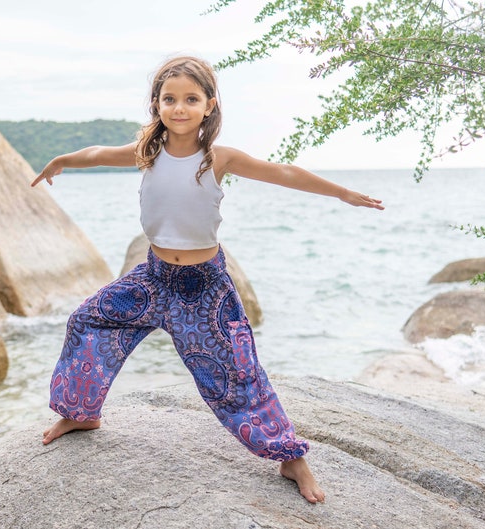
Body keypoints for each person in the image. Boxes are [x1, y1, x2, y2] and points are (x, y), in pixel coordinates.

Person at [30, 55, 384, 504]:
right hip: (153, 278)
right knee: (87, 320)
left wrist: (341, 192)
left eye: (190, 99)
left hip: (204, 289)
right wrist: (61, 160)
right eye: (169, 99)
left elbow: (284, 172)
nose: (179, 108)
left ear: (209, 105)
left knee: (238, 372)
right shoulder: (147, 151)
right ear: (156, 104)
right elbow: (97, 154)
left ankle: (290, 457)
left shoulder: (218, 157)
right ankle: (82, 413)